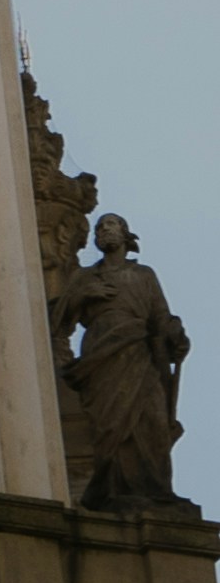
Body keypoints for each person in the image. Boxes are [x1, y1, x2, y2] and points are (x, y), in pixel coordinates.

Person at [67, 212, 189, 508]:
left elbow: (160, 314)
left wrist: (175, 333)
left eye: (110, 225)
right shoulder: (85, 277)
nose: (103, 230)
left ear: (125, 235)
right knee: (111, 423)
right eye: (99, 227)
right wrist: (84, 295)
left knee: (153, 421)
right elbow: (59, 318)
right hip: (102, 351)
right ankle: (113, 490)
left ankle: (156, 490)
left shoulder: (143, 274)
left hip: (141, 352)